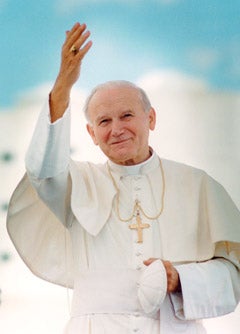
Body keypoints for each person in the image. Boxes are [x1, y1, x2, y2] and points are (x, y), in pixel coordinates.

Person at [7, 22, 240, 334]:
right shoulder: (77, 183)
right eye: (104, 121)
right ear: (91, 133)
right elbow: (42, 169)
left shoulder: (197, 185)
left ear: (151, 118)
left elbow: (232, 274)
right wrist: (62, 86)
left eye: (127, 116)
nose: (116, 130)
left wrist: (180, 279)